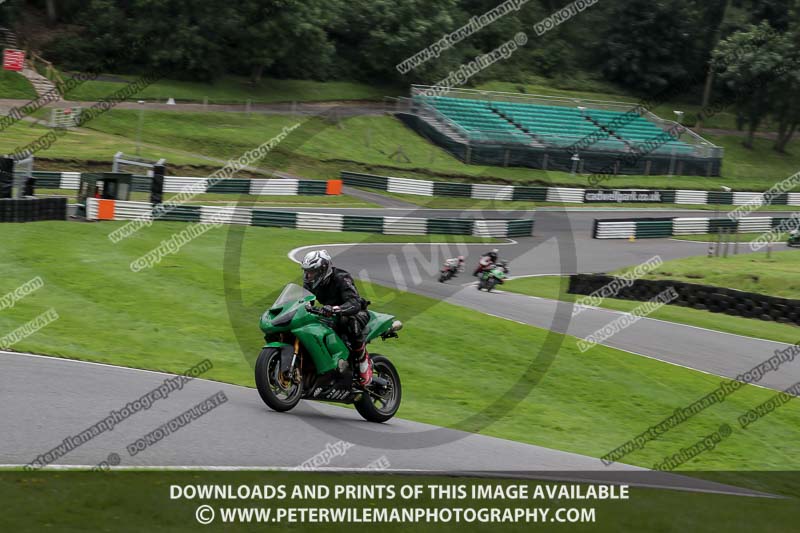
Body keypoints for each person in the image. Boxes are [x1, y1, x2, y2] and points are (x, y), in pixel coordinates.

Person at [301, 250, 372, 385]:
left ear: (323, 269)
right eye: (306, 271)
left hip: (355, 312)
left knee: (350, 322)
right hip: (329, 314)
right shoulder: (309, 282)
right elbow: (304, 302)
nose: (308, 275)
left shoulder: (341, 277)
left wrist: (336, 309)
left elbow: (354, 303)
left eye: (312, 271)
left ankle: (363, 362)